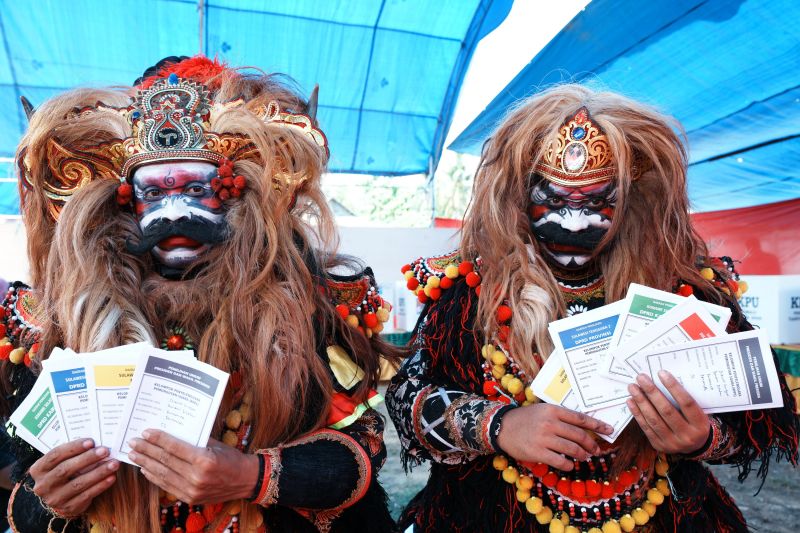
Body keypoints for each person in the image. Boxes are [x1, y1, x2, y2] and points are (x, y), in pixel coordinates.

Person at [1, 56, 400, 533]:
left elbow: (358, 455)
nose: (173, 211)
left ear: (236, 192)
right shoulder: (57, 320)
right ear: (122, 199)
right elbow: (25, 493)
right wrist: (49, 499)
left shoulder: (309, 302)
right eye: (153, 193)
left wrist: (252, 476)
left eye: (196, 187)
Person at [386, 84, 798, 532]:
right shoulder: (470, 292)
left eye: (597, 201)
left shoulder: (687, 291)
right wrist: (500, 425)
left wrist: (700, 437)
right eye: (554, 200)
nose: (575, 221)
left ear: (630, 197)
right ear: (520, 196)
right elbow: (407, 397)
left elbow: (758, 421)